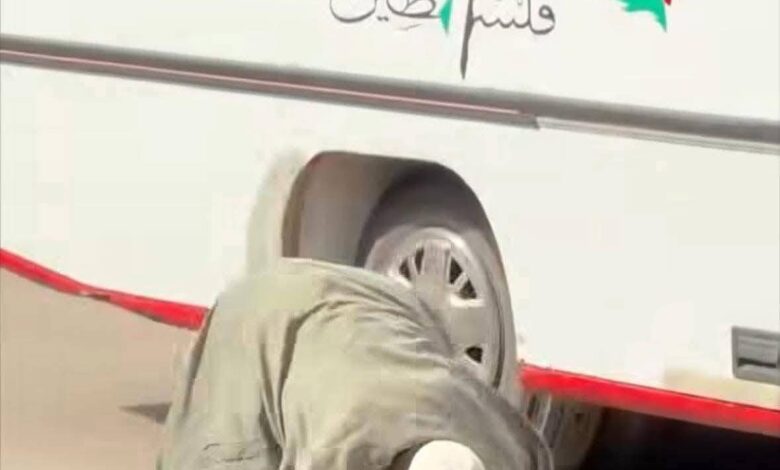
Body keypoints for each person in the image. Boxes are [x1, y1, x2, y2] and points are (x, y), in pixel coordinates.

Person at [157, 258, 551, 470]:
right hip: (259, 314)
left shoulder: (511, 451)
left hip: (383, 304)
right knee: (226, 447)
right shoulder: (341, 447)